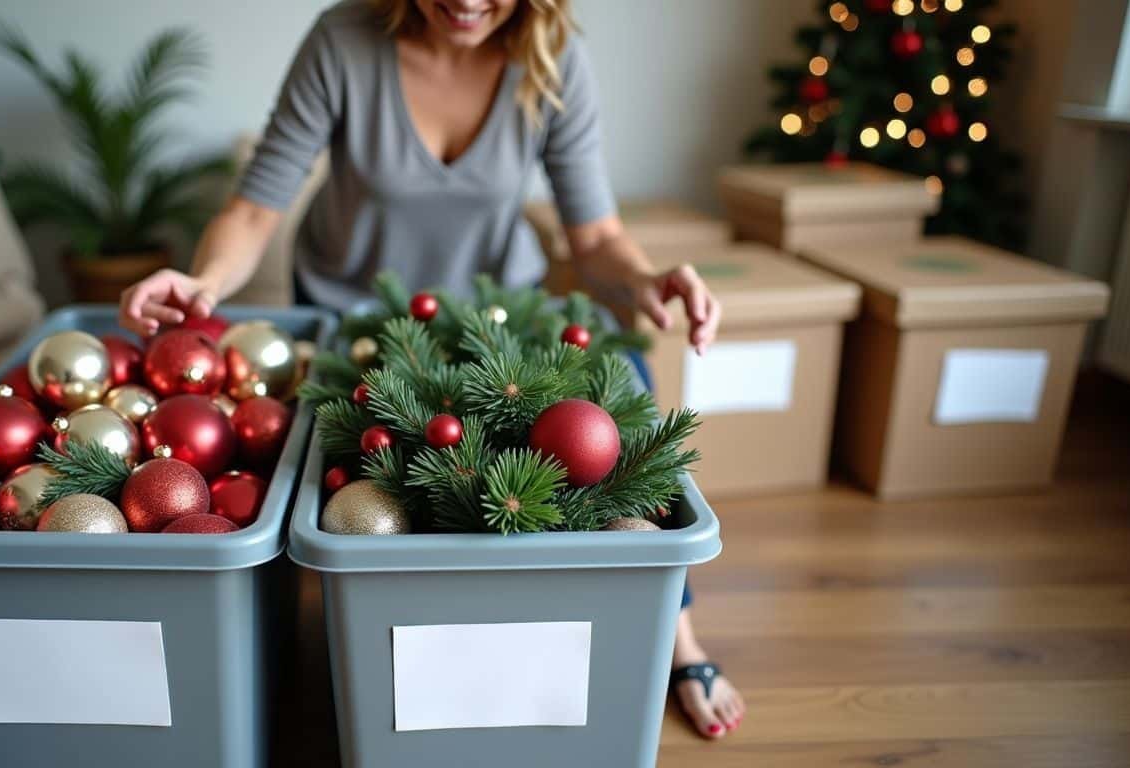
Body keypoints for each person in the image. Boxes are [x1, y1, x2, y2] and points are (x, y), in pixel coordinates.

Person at [119, 0, 744, 739]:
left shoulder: (550, 55)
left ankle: (677, 640)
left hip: (504, 327)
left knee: (624, 391)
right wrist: (206, 284)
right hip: (364, 327)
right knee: (413, 479)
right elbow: (255, 210)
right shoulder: (343, 41)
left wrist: (645, 279)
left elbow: (596, 233)